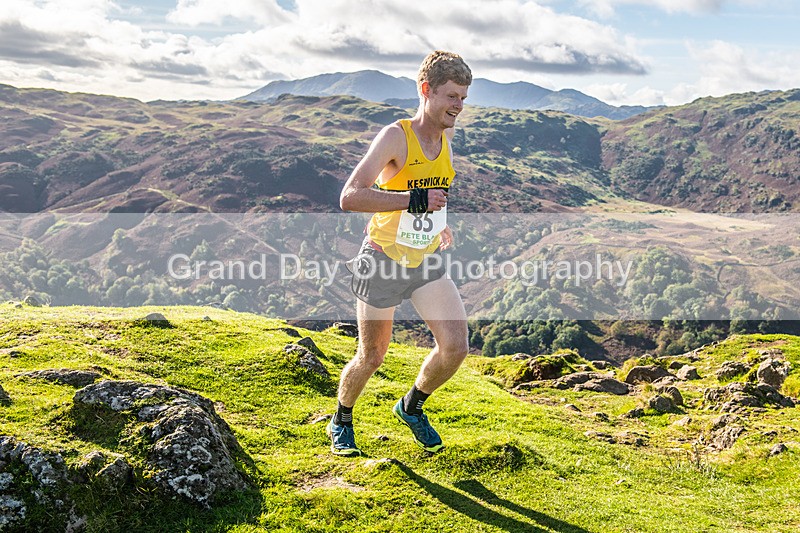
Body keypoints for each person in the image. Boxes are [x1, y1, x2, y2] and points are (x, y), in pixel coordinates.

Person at [328, 51, 472, 456]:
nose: (458, 106)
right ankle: (341, 419)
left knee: (455, 347)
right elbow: (350, 197)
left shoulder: (445, 136)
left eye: (463, 97)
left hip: (426, 258)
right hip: (382, 259)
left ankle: (411, 406)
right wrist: (413, 200)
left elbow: (432, 193)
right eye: (451, 96)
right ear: (426, 90)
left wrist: (440, 223)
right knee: (372, 355)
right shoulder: (396, 136)